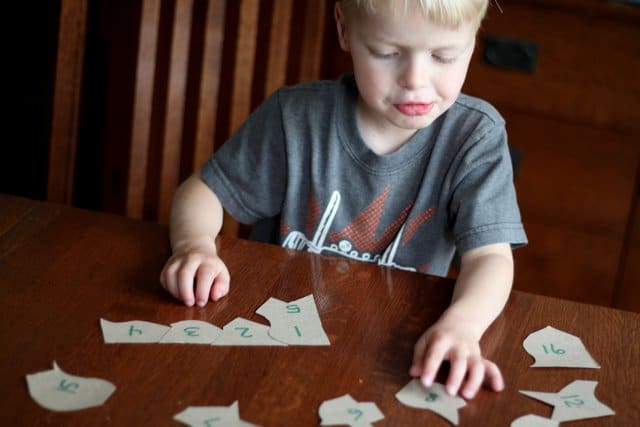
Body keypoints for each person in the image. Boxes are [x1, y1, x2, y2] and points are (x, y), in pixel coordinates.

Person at [160, 0, 527, 400]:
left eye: (444, 56)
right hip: (270, 344)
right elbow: (203, 192)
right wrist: (193, 245)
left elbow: (490, 257)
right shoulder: (296, 117)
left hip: (387, 357)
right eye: (387, 53)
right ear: (344, 29)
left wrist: (462, 327)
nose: (415, 80)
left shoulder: (475, 138)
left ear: (473, 40)